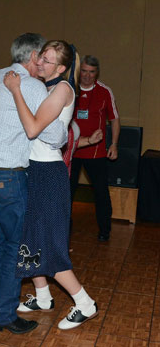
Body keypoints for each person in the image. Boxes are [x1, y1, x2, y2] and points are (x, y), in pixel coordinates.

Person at [0, 33, 68, 335]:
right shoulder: (31, 85)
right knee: (15, 249)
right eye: (41, 56)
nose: (42, 62)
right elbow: (54, 136)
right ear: (33, 56)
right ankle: (2, 315)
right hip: (9, 178)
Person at [4, 40, 98, 330]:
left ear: (61, 67)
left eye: (47, 60)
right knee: (30, 239)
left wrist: (16, 90)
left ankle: (85, 303)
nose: (40, 62)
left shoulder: (62, 89)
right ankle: (43, 297)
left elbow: (32, 128)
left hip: (48, 175)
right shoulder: (43, 87)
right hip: (35, 171)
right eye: (41, 57)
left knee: (51, 247)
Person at [70, 55, 120, 242]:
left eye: (91, 72)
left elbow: (114, 119)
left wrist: (114, 144)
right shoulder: (69, 89)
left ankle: (104, 231)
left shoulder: (104, 91)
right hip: (72, 151)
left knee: (101, 193)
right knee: (67, 192)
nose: (87, 76)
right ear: (79, 71)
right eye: (84, 71)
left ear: (96, 73)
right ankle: (64, 228)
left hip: (96, 152)